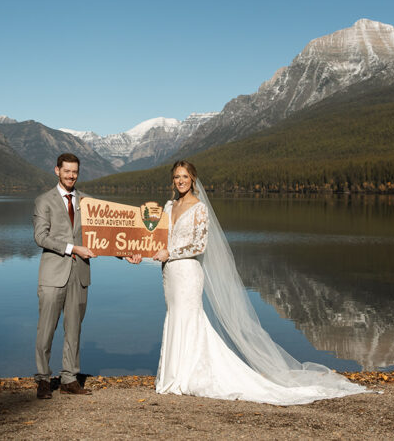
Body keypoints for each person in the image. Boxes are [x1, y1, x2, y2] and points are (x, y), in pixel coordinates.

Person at [151, 161, 369, 405]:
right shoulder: (169, 206)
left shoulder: (199, 208)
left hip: (188, 271)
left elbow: (199, 245)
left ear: (193, 179)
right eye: (176, 177)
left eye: (185, 176)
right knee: (175, 315)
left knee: (189, 316)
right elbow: (156, 237)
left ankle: (187, 375)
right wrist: (137, 252)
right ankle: (174, 374)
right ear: (172, 180)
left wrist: (171, 253)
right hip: (169, 272)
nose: (180, 181)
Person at [33, 153, 96, 398]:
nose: (71, 175)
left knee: (74, 329)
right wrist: (72, 248)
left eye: (75, 172)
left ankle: (70, 378)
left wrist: (125, 254)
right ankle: (43, 379)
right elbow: (40, 237)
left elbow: (103, 236)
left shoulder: (88, 202)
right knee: (46, 329)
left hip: (79, 274)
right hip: (53, 275)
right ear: (57, 170)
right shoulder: (43, 201)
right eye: (66, 171)